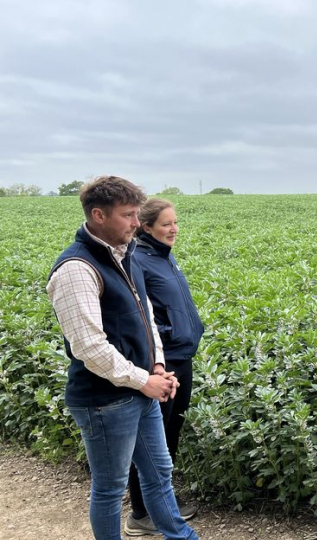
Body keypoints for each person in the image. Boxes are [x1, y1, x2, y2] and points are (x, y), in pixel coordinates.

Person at [47, 176, 199, 540]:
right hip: (104, 401)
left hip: (141, 389)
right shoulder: (76, 269)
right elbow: (89, 347)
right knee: (110, 487)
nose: (136, 223)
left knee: (159, 472)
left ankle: (182, 536)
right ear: (98, 215)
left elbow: (145, 316)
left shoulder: (125, 255)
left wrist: (158, 366)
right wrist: (145, 379)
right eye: (128, 215)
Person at [125, 198, 205, 536]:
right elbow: (141, 315)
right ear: (146, 227)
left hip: (181, 357)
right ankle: (141, 513)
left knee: (170, 433)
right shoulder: (140, 261)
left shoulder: (164, 259)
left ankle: (162, 502)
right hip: (164, 361)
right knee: (151, 439)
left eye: (175, 223)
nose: (173, 229)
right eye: (166, 224)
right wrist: (168, 342)